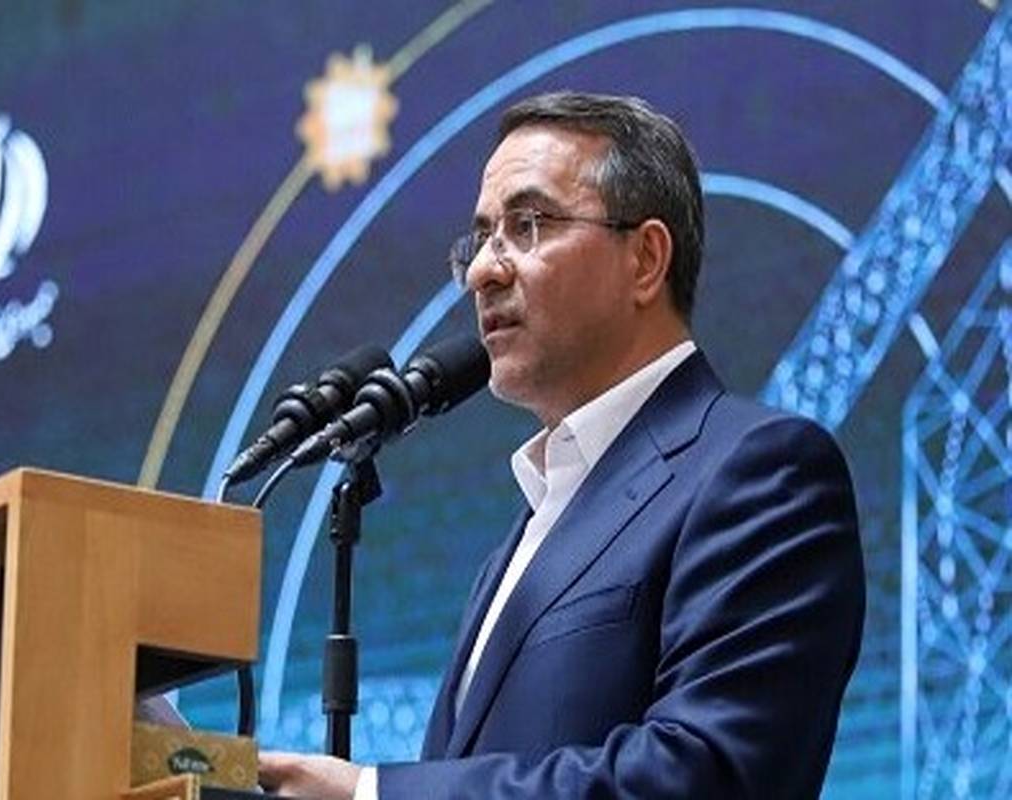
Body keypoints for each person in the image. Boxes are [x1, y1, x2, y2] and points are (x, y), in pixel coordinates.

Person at [259, 91, 865, 799]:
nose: (483, 271)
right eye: (480, 238)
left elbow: (707, 773)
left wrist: (371, 793)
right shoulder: (524, 536)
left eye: (528, 225)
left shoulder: (762, 472)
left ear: (645, 259)